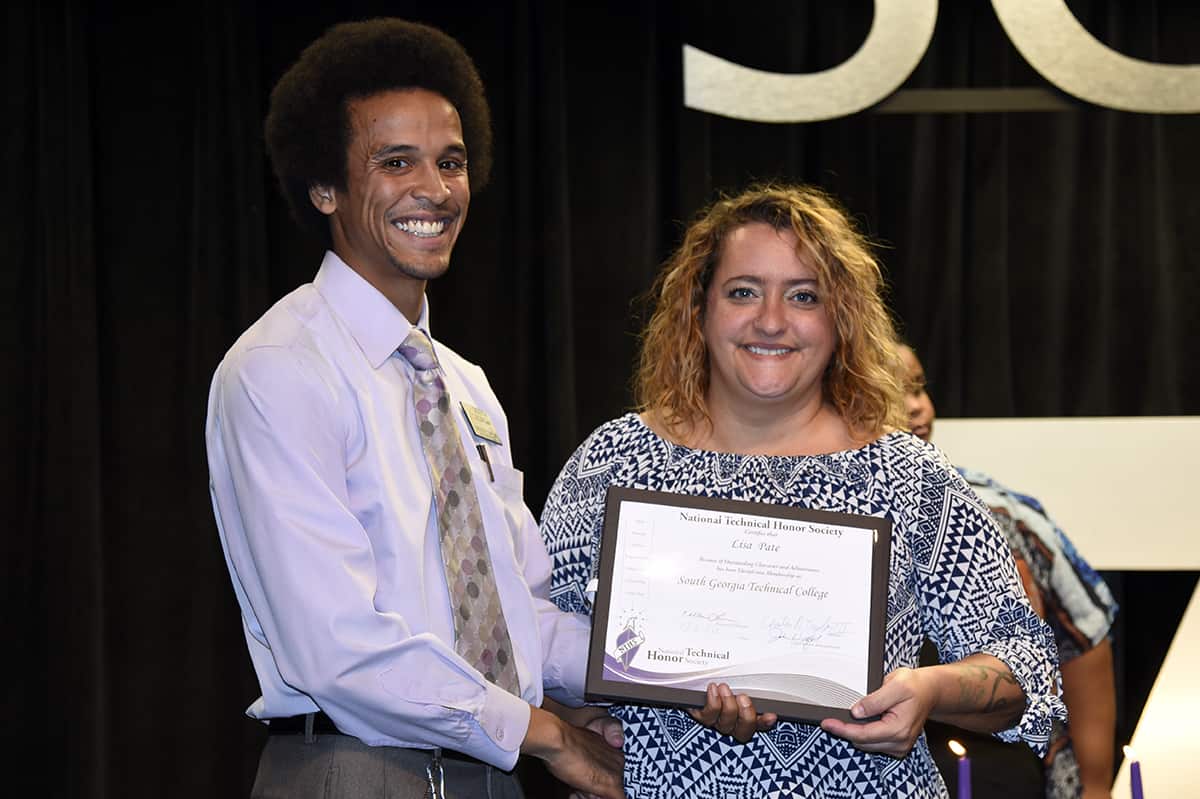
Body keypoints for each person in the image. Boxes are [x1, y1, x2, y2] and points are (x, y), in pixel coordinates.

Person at [205, 19, 622, 799]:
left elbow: (518, 615)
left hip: (490, 772)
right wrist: (543, 732)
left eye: (451, 161)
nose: (434, 188)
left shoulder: (463, 383)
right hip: (357, 769)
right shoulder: (277, 371)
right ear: (324, 186)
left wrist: (666, 670)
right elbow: (337, 648)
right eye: (396, 162)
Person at [538, 183, 1066, 798]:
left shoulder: (908, 476)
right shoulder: (612, 461)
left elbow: (1024, 672)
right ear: (698, 308)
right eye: (743, 292)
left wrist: (928, 691)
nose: (770, 320)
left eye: (803, 296)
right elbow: (533, 650)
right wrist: (583, 721)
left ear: (840, 318)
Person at [899, 345, 1118, 799]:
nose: (916, 405)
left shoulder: (1001, 513)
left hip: (1000, 765)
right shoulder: (828, 516)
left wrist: (1096, 784)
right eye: (895, 390)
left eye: (919, 387)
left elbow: (1084, 636)